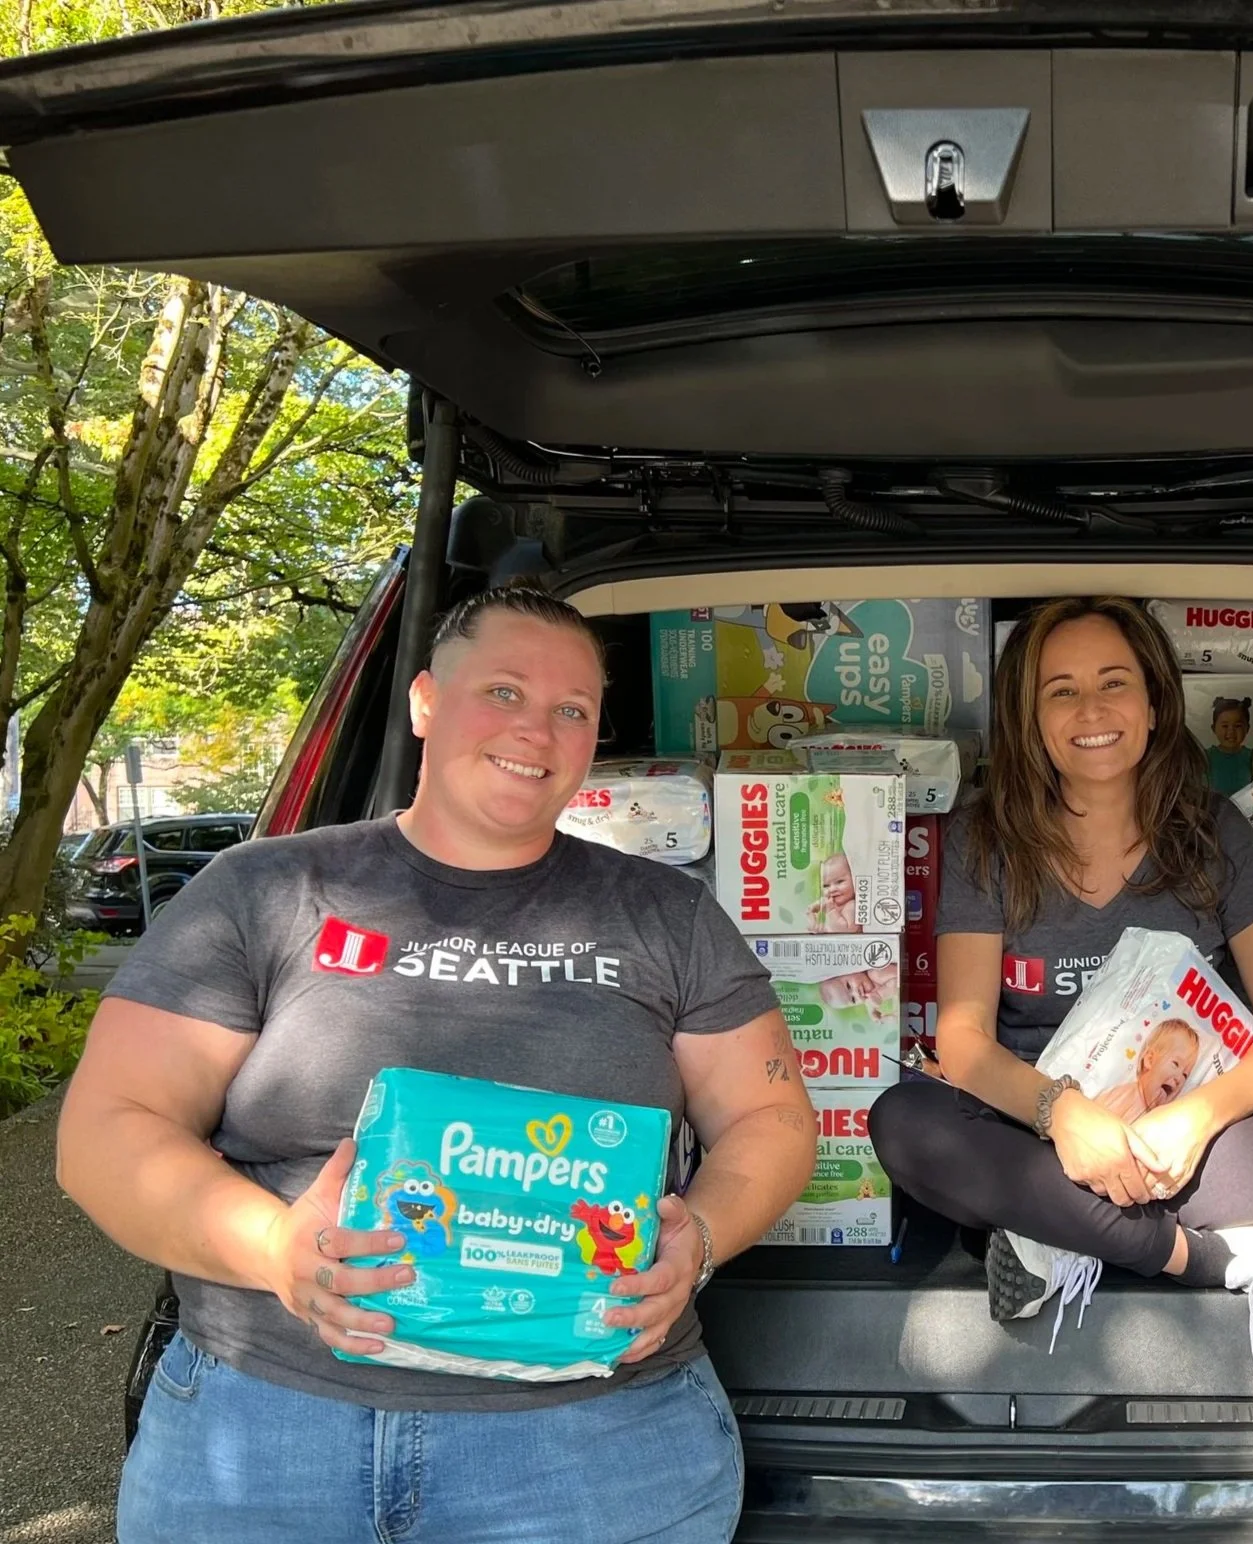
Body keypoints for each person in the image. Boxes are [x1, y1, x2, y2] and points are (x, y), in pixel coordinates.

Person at [57, 586, 820, 1544]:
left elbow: (773, 1120)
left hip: (592, 1446)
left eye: (572, 709)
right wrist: (278, 1252)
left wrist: (699, 1238)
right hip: (265, 1430)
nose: (535, 731)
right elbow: (105, 1131)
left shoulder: (665, 913)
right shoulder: (270, 887)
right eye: (503, 691)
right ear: (424, 701)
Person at [867, 596, 1253, 1328]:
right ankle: (1193, 1256)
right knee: (904, 1120)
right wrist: (1063, 1114)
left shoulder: (1213, 829)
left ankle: (1049, 1235)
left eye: (1114, 682)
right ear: (1031, 721)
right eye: (1062, 691)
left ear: (1152, 704)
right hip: (1038, 1138)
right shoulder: (984, 837)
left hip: (1187, 1143)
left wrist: (1198, 1118)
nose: (1092, 709)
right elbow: (962, 1040)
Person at [1093, 1019, 1202, 1122]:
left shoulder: (1155, 1118)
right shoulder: (1128, 1096)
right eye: (1175, 1064)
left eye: (1185, 1075)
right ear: (1149, 1060)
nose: (1179, 1078)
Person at [1205, 696, 1253, 795]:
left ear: (1247, 728)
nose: (1231, 731)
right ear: (1213, 728)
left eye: (1237, 726)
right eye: (1225, 726)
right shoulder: (1205, 757)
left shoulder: (1251, 758)